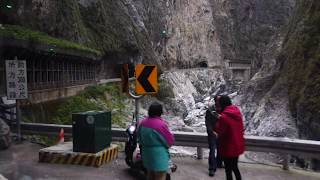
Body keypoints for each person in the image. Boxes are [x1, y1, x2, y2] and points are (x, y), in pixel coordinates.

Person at [138, 102, 174, 180]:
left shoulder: (142, 123)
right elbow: (169, 141)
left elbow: (139, 139)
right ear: (160, 112)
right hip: (159, 156)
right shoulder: (161, 125)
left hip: (146, 153)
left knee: (150, 175)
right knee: (160, 176)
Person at [214, 95, 245, 180]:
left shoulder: (224, 117)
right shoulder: (237, 112)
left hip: (228, 147)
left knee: (228, 170)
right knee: (235, 167)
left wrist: (218, 119)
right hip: (237, 145)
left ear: (222, 104)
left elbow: (219, 130)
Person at [205, 102, 219, 176]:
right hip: (212, 134)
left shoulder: (224, 110)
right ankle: (212, 168)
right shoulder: (210, 111)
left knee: (221, 149)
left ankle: (219, 163)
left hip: (222, 133)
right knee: (212, 150)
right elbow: (208, 123)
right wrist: (212, 132)